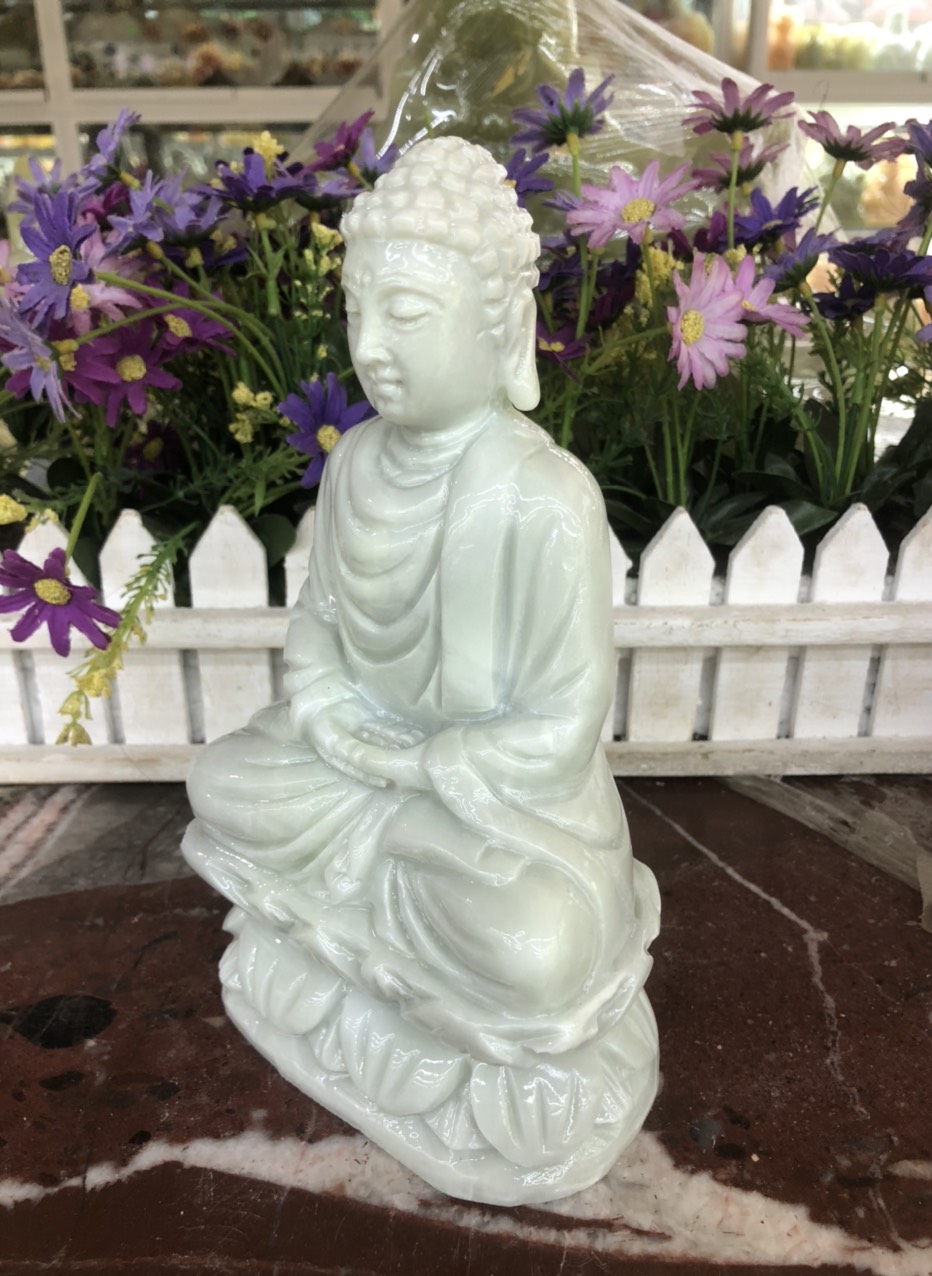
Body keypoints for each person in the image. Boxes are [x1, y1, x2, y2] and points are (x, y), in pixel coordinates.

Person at [182, 136, 660, 1205]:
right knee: (222, 781)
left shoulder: (546, 495)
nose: (371, 348)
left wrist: (416, 769)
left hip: (497, 811)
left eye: (405, 315)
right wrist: (326, 714)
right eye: (358, 313)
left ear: (497, 328)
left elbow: (565, 721)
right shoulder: (353, 462)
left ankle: (395, 898)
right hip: (351, 770)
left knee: (534, 949)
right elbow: (318, 628)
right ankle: (381, 868)